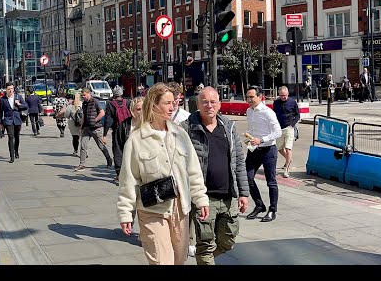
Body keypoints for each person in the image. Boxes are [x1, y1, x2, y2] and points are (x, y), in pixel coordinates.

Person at [117, 82, 210, 265]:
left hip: (180, 210)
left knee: (178, 260)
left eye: (173, 102)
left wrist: (201, 199)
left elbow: (193, 170)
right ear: (153, 105)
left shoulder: (180, 134)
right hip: (152, 210)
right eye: (167, 103)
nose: (172, 106)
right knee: (162, 261)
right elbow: (128, 180)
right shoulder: (137, 139)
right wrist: (126, 213)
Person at [181, 86, 249, 265]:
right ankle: (205, 259)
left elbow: (239, 161)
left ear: (219, 104)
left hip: (228, 196)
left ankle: (205, 260)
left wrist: (244, 193)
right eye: (205, 102)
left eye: (213, 102)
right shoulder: (187, 128)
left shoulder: (228, 126)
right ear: (198, 104)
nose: (209, 105)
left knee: (228, 242)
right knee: (205, 244)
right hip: (204, 198)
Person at [245, 86, 282, 222]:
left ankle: (272, 210)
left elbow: (278, 132)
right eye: (247, 97)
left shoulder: (268, 112)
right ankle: (259, 205)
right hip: (254, 149)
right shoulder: (249, 111)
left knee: (271, 182)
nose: (248, 100)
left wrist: (261, 140)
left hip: (268, 150)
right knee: (247, 178)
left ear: (260, 97)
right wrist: (250, 137)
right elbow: (254, 128)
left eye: (251, 97)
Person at [76, 88, 113, 172]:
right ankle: (82, 164)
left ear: (89, 94)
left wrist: (95, 120)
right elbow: (83, 116)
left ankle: (109, 159)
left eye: (84, 95)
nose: (83, 97)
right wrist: (81, 128)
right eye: (82, 96)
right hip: (86, 128)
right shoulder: (84, 103)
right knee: (83, 145)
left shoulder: (95, 101)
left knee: (101, 146)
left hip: (96, 128)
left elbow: (102, 112)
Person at [113, 96, 144, 185]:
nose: (142, 112)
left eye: (144, 108)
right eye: (138, 109)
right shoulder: (124, 125)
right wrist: (119, 170)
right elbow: (118, 147)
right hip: (129, 167)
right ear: (132, 110)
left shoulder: (151, 124)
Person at [272, 86, 300, 178]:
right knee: (279, 148)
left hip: (289, 128)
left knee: (288, 148)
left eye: (285, 95)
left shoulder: (292, 102)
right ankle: (289, 159)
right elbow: (274, 114)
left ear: (288, 94)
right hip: (279, 129)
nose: (283, 97)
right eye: (281, 95)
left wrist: (292, 124)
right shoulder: (276, 103)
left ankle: (286, 169)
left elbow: (297, 115)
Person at [0, 82, 28, 163]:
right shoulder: (3, 99)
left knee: (17, 137)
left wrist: (19, 104)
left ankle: (16, 151)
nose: (10, 90)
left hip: (17, 119)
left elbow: (26, 106)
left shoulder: (18, 97)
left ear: (13, 89)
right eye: (8, 89)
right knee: (11, 137)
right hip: (8, 120)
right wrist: (0, 123)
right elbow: (1, 112)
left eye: (11, 89)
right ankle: (11, 156)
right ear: (6, 90)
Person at [103, 85, 131, 164]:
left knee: (117, 149)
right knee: (128, 149)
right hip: (128, 128)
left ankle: (119, 172)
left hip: (117, 128)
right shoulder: (128, 102)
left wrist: (105, 134)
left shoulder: (110, 104)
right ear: (121, 94)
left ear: (114, 94)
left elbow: (108, 120)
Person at [61, 92, 83, 157]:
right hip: (82, 124)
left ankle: (75, 151)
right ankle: (84, 152)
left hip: (73, 124)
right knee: (83, 139)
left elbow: (66, 115)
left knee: (75, 138)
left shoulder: (70, 106)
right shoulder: (83, 105)